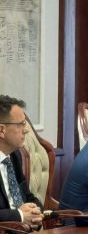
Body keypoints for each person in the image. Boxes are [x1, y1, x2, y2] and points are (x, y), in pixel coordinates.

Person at [0, 95, 43, 225]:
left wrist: (35, 213)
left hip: (23, 233)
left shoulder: (14, 155)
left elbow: (27, 196)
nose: (26, 130)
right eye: (21, 124)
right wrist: (20, 216)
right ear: (2, 130)